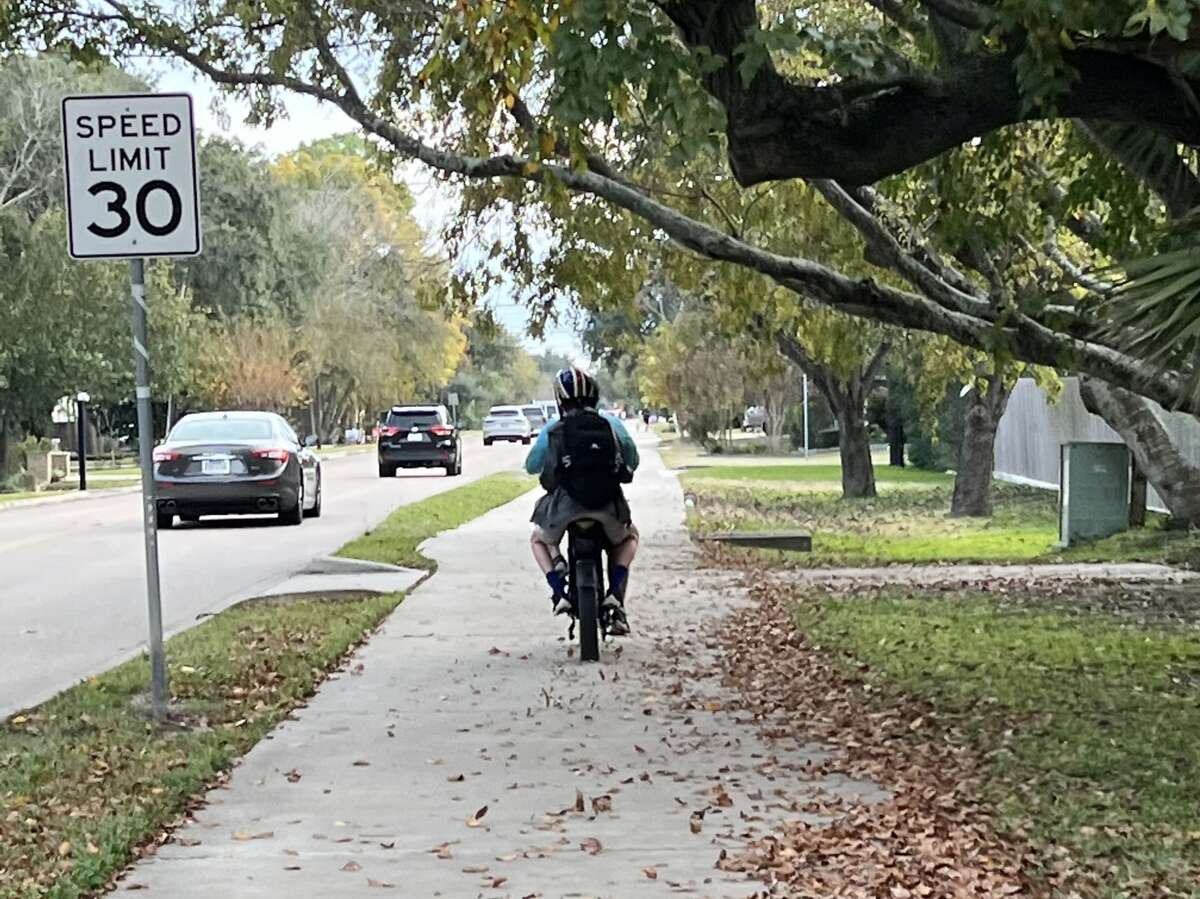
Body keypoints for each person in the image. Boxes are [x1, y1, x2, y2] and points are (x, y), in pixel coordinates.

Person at [525, 367, 640, 635]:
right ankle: (615, 598)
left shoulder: (554, 430)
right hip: (608, 507)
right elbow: (632, 461)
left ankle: (557, 589)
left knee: (538, 539)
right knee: (628, 538)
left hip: (565, 509)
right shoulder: (612, 425)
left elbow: (532, 465)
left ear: (560, 399)